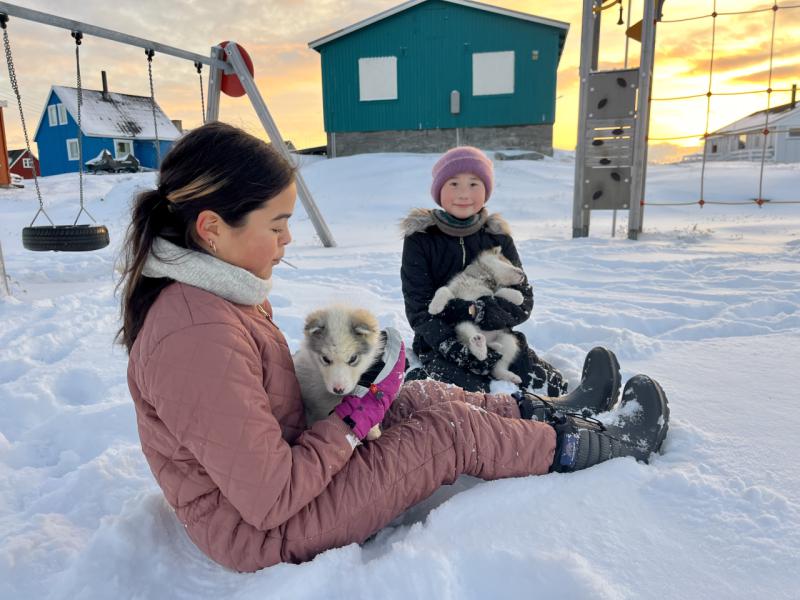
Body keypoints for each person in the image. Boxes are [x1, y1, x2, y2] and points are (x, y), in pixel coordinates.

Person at [119, 122, 670, 573]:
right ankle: (587, 447)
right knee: (449, 433)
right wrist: (354, 422)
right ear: (212, 228)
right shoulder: (194, 335)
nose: (288, 240)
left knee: (426, 397)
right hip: (262, 529)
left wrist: (365, 386)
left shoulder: (218, 291)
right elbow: (268, 497)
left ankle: (552, 413)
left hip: (290, 464)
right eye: (278, 225)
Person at [401, 145, 571, 396]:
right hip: (441, 341)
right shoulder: (421, 239)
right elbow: (419, 308)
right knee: (471, 393)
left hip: (496, 334)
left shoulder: (497, 237)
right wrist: (452, 343)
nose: (463, 194)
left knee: (550, 388)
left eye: (474, 184)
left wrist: (482, 312)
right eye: (453, 184)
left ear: (486, 190)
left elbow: (523, 302)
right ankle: (418, 378)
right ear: (439, 190)